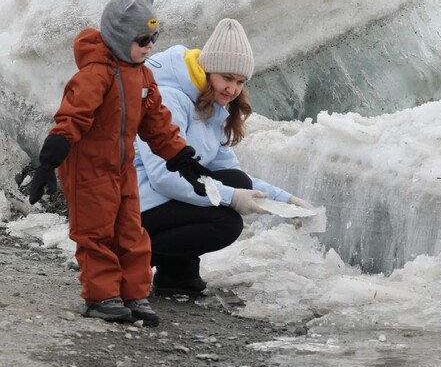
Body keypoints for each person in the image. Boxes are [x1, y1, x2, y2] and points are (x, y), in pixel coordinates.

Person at [27, 0, 213, 326]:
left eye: (154, 38)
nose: (149, 46)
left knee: (131, 232)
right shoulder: (96, 75)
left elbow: (156, 123)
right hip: (88, 169)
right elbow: (71, 117)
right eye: (142, 40)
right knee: (95, 233)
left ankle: (133, 295)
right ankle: (101, 297)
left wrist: (183, 160)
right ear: (119, 37)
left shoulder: (142, 76)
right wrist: (48, 162)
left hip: (121, 167)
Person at [134, 18, 313, 296]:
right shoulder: (168, 98)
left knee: (236, 180)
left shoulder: (212, 109)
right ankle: (125, 259)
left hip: (160, 205)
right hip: (133, 207)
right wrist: (231, 197)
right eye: (227, 78)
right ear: (207, 70)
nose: (233, 89)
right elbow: (163, 177)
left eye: (240, 82)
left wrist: (285, 201)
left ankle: (176, 274)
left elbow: (233, 175)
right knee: (225, 222)